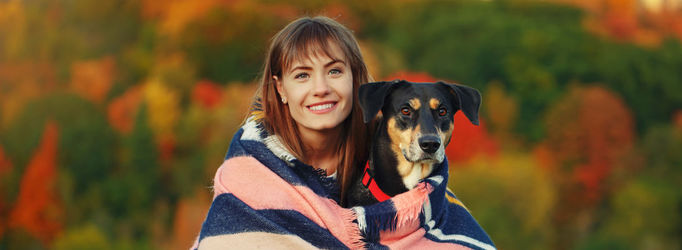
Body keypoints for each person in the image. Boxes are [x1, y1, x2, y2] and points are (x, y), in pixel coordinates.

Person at [193, 16, 495, 249]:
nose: (321, 88)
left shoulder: (417, 189)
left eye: (334, 71)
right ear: (281, 89)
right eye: (302, 75)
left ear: (355, 79)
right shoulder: (251, 177)